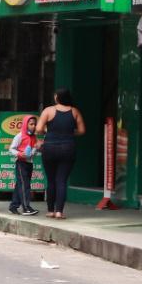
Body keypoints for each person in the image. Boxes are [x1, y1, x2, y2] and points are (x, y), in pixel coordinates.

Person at [35, 88, 86, 219]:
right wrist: (69, 132)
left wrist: (50, 131)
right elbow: (82, 131)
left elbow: (39, 129)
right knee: (62, 180)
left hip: (50, 147)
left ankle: (50, 210)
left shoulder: (48, 110)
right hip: (68, 148)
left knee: (51, 180)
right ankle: (59, 212)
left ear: (57, 97)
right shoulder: (75, 111)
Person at [7, 115, 40, 216]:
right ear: (26, 124)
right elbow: (11, 149)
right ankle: (26, 208)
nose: (33, 126)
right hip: (21, 163)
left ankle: (13, 206)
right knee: (24, 185)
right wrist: (19, 154)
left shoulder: (34, 137)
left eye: (35, 124)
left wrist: (36, 148)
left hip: (29, 163)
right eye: (31, 124)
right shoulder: (20, 136)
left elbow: (33, 152)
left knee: (20, 184)